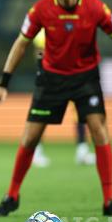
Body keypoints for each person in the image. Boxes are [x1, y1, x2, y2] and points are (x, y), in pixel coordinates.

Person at [0, 0, 112, 217]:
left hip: (86, 78)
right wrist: (3, 82)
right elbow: (21, 43)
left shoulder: (96, 8)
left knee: (99, 131)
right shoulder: (40, 10)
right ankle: (12, 196)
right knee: (30, 137)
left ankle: (109, 201)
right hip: (51, 79)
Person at [31, 28, 95, 167]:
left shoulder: (71, 24)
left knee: (80, 112)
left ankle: (82, 151)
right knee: (43, 114)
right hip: (52, 77)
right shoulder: (44, 29)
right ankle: (36, 151)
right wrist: (43, 73)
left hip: (72, 76)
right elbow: (39, 53)